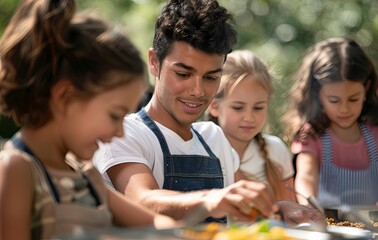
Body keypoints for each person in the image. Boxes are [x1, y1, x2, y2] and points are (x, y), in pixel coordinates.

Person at [93, 0, 323, 226]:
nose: (197, 91)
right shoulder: (123, 134)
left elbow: (248, 203)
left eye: (211, 77)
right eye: (183, 74)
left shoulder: (215, 139)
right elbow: (143, 199)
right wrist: (211, 199)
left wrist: (282, 208)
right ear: (154, 62)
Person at [0, 0, 188, 239]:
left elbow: (158, 224)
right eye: (114, 115)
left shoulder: (87, 175)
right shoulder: (17, 170)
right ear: (65, 96)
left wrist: (207, 209)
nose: (121, 132)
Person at [282, 37, 378, 207]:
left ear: (366, 88)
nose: (344, 109)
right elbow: (306, 178)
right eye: (334, 100)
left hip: (376, 232)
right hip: (326, 231)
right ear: (318, 95)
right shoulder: (311, 136)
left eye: (353, 99)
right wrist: (310, 209)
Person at [207, 50, 296, 202]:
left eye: (258, 108)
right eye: (238, 107)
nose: (249, 117)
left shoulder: (276, 149)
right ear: (214, 106)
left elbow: (290, 211)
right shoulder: (201, 149)